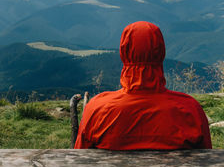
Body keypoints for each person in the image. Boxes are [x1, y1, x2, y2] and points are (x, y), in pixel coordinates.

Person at [74, 21, 212, 150]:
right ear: (161, 52)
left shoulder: (97, 109)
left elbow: (79, 158)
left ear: (124, 52)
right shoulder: (190, 110)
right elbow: (206, 159)